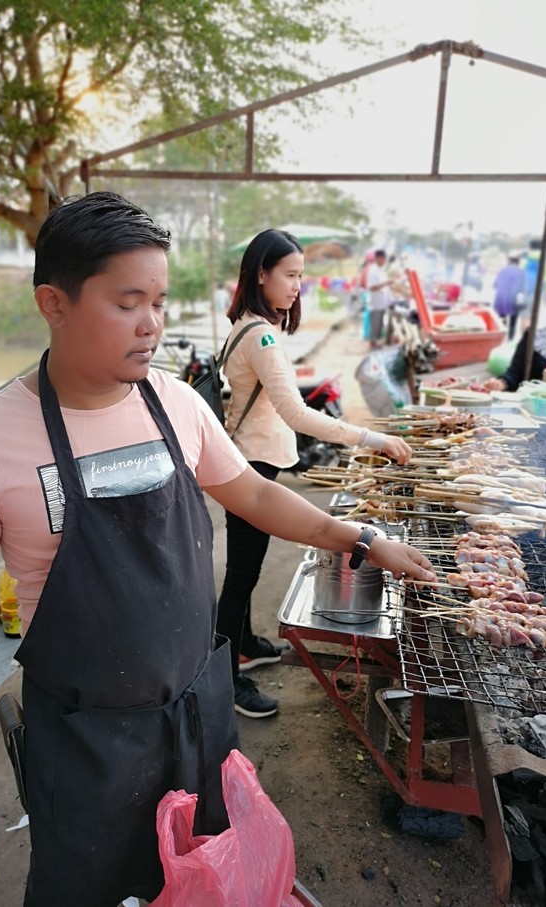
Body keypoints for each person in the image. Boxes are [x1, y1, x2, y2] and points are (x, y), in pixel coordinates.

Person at [0, 194, 435, 906]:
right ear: (54, 303)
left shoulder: (175, 403)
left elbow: (253, 495)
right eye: (127, 302)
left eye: (159, 301)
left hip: (198, 716)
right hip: (84, 740)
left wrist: (362, 538)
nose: (152, 324)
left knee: (202, 876)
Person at [216, 229, 415, 720]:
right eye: (289, 275)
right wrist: (371, 438)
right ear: (260, 274)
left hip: (249, 458)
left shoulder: (248, 324)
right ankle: (224, 679)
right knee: (242, 574)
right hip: (250, 465)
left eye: (300, 276)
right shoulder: (261, 335)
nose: (297, 286)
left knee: (248, 566)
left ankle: (245, 644)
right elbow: (297, 414)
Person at [492, 254, 525, 341]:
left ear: (509, 262)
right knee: (513, 321)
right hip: (514, 299)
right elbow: (523, 287)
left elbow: (495, 285)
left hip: (501, 298)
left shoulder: (502, 270)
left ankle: (501, 338)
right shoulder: (521, 272)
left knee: (502, 319)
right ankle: (510, 339)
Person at [366, 248, 393, 348]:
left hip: (382, 302)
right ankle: (373, 343)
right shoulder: (373, 271)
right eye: (384, 259)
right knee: (376, 324)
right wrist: (386, 283)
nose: (385, 261)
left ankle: (375, 342)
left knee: (380, 323)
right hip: (376, 302)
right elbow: (371, 287)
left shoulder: (380, 270)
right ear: (379, 258)